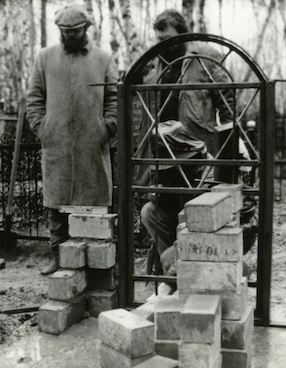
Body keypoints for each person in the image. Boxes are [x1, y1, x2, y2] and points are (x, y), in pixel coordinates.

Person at [139, 9, 237, 276]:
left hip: (199, 157)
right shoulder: (154, 65)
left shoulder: (204, 58)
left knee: (198, 215)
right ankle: (171, 270)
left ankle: (198, 273)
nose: (163, 45)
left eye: (168, 38)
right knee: (154, 212)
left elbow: (229, 110)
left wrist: (225, 161)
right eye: (158, 39)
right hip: (165, 159)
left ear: (183, 34)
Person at [26, 4, 118, 275]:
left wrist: (106, 128)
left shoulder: (103, 59)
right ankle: (58, 255)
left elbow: (114, 98)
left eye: (74, 31)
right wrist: (43, 128)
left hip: (92, 143)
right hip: (57, 143)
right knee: (56, 202)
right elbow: (34, 98)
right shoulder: (45, 57)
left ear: (86, 29)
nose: (68, 37)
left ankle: (96, 261)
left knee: (94, 204)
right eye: (64, 32)